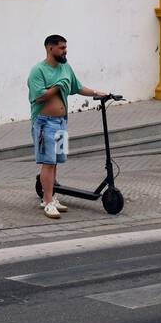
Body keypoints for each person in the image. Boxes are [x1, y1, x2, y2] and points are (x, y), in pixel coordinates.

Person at [28, 35, 106, 220]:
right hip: (44, 122)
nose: (65, 51)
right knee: (47, 162)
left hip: (62, 121)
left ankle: (51, 197)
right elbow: (39, 97)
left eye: (65, 47)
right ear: (50, 48)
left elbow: (77, 87)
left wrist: (97, 93)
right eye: (61, 48)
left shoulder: (65, 67)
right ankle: (47, 202)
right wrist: (57, 87)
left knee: (55, 162)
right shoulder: (38, 71)